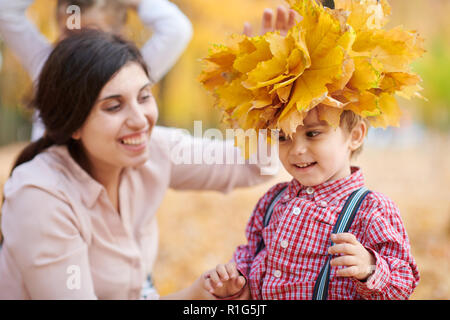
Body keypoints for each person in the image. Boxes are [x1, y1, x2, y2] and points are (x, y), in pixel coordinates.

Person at [199, 0, 421, 300]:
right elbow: (250, 255)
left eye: (313, 134)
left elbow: (403, 281)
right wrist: (237, 283)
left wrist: (371, 267)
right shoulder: (271, 202)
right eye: (283, 136)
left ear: (354, 135)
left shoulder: (371, 211)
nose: (297, 150)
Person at [0, 0, 193, 141]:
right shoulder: (46, 63)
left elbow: (177, 30)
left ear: (119, 34)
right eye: (69, 32)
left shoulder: (128, 73)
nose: (77, 43)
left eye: (89, 33)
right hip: (47, 182)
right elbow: (4, 11)